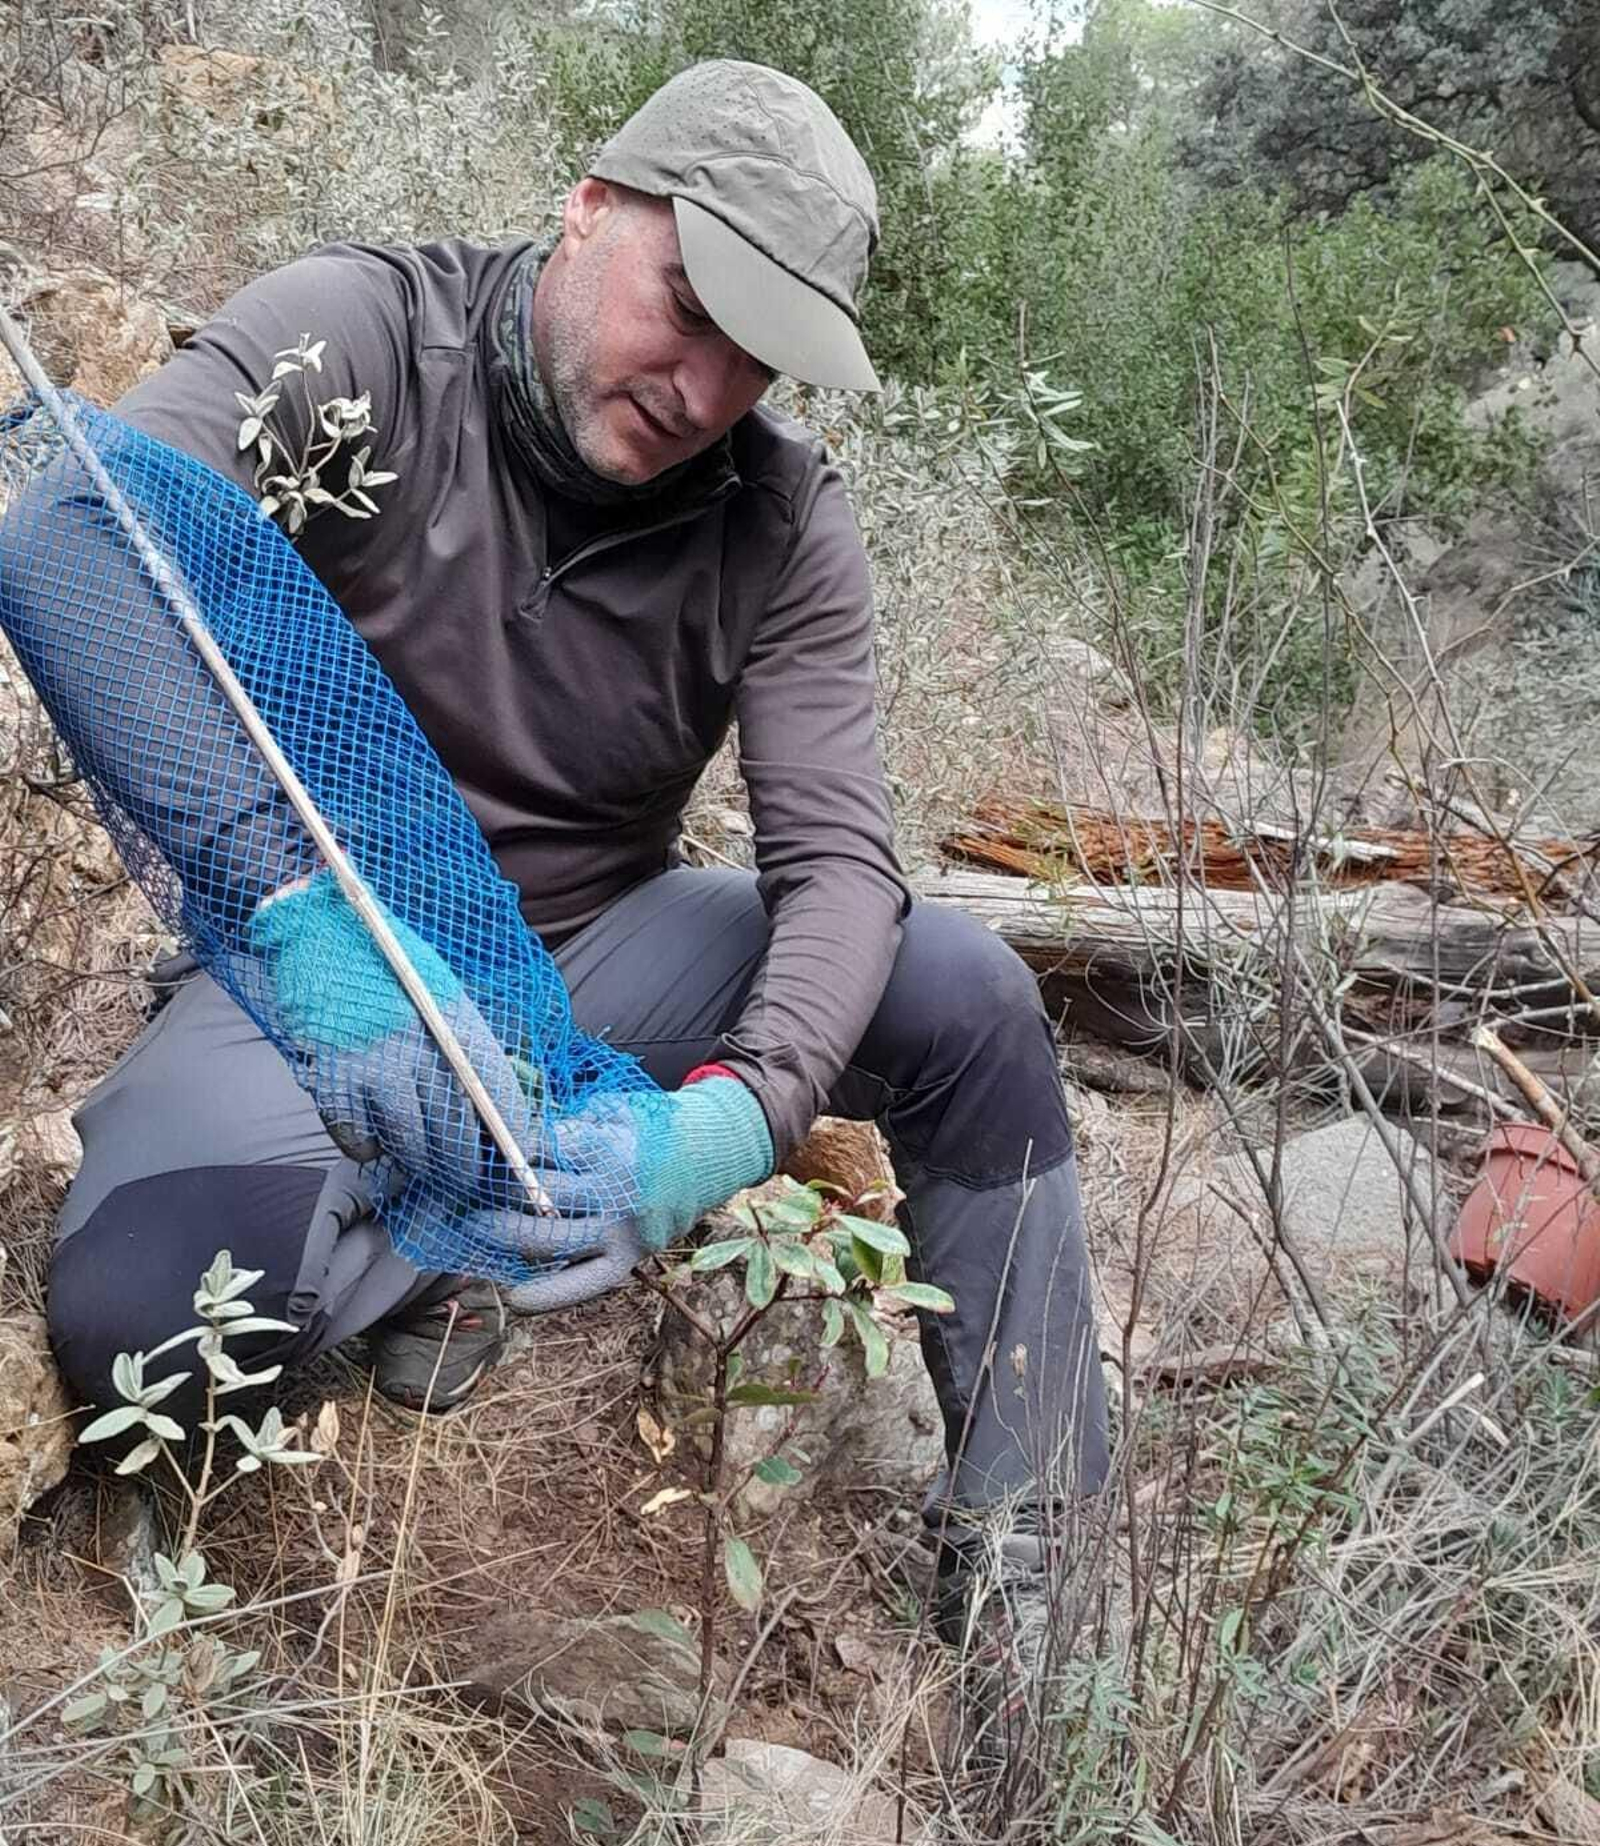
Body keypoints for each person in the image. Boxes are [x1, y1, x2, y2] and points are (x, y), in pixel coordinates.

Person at [26, 59, 1109, 1670]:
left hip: (587, 960)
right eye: (688, 303)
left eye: (759, 359)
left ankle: (1039, 1577)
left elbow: (843, 867)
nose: (703, 386)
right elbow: (78, 539)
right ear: (589, 206)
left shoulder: (781, 521)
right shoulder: (367, 343)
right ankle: (449, 1214)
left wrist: (734, 1118)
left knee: (965, 994)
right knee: (145, 1326)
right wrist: (303, 929)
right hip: (302, 965)